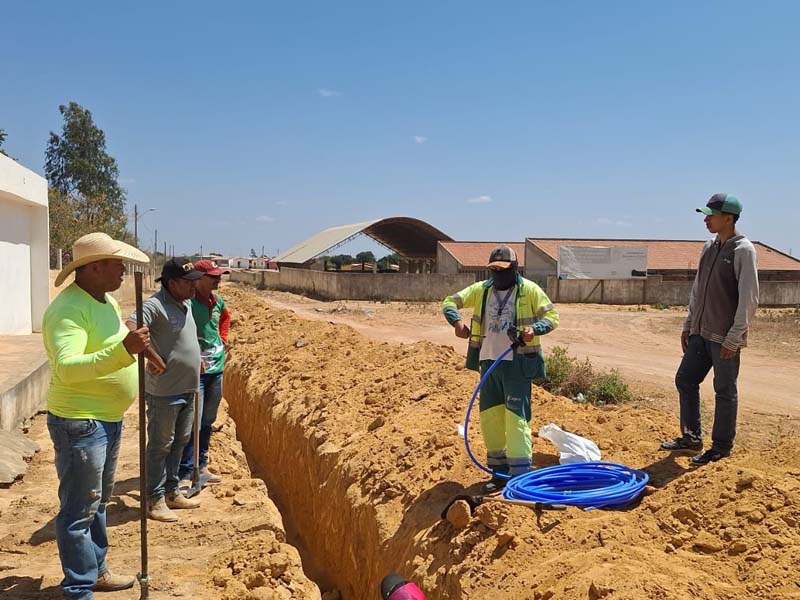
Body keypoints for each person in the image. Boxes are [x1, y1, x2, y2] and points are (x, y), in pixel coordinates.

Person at [43, 232, 151, 599]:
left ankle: (96, 568)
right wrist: (124, 351)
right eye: (115, 263)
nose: (122, 270)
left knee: (97, 501)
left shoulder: (105, 302)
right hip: (80, 422)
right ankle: (79, 589)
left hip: (106, 418)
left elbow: (113, 345)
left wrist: (130, 345)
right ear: (93, 267)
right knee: (78, 511)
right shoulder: (68, 310)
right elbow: (68, 368)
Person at [442, 245, 559, 491]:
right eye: (493, 269)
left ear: (515, 269)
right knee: (491, 420)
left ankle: (520, 478)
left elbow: (552, 318)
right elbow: (450, 302)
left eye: (502, 269)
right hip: (488, 364)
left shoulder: (529, 290)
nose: (497, 274)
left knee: (516, 421)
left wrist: (533, 330)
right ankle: (498, 474)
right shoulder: (482, 290)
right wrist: (457, 322)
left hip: (516, 365)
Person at [660, 194, 759, 464]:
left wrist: (734, 338)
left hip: (724, 338)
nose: (705, 219)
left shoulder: (743, 250)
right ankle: (691, 437)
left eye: (711, 215)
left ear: (728, 218)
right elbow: (697, 291)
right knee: (685, 379)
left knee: (724, 390)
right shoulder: (709, 247)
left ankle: (721, 446)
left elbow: (749, 299)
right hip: (700, 333)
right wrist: (688, 325)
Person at [128, 257, 203, 521]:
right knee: (160, 445)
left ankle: (172, 491)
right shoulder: (155, 305)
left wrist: (196, 359)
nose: (195, 286)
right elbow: (132, 326)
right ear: (172, 283)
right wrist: (152, 356)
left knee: (180, 442)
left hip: (188, 388)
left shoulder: (187, 304)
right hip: (165, 393)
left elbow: (184, 339)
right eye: (189, 281)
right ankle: (154, 498)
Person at [178, 259, 231, 486]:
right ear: (197, 279)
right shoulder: (187, 305)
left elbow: (226, 318)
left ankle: (201, 465)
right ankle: (184, 471)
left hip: (216, 369)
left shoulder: (217, 301)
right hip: (195, 373)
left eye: (219, 275)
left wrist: (223, 339)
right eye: (213, 276)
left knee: (207, 420)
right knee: (193, 422)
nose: (217, 279)